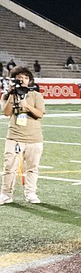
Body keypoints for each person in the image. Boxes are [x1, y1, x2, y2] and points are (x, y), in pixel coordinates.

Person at [0, 66, 45, 204]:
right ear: (14, 80)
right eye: (19, 78)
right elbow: (6, 113)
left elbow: (39, 114)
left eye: (26, 78)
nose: (23, 80)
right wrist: (12, 94)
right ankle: (6, 194)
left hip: (34, 137)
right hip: (15, 137)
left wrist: (27, 106)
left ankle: (31, 193)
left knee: (32, 168)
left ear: (30, 80)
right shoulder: (7, 95)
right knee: (9, 167)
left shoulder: (36, 95)